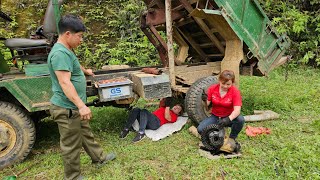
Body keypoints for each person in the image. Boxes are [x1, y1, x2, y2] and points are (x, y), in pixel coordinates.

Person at [48, 14, 115, 180]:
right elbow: (65, 83)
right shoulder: (60, 54)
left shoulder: (66, 49)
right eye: (80, 36)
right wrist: (81, 105)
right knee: (71, 144)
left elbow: (73, 63)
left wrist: (85, 71)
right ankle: (72, 176)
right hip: (67, 108)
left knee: (85, 133)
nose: (81, 39)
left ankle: (99, 158)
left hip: (73, 108)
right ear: (68, 34)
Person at [197, 70, 245, 140]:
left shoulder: (235, 92)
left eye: (228, 84)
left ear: (232, 83)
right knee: (200, 129)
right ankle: (216, 134)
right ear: (219, 80)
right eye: (223, 83)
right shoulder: (212, 89)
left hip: (229, 116)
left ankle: (232, 138)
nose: (225, 86)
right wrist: (204, 100)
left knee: (240, 120)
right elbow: (207, 106)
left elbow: (237, 110)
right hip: (216, 116)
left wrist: (228, 119)